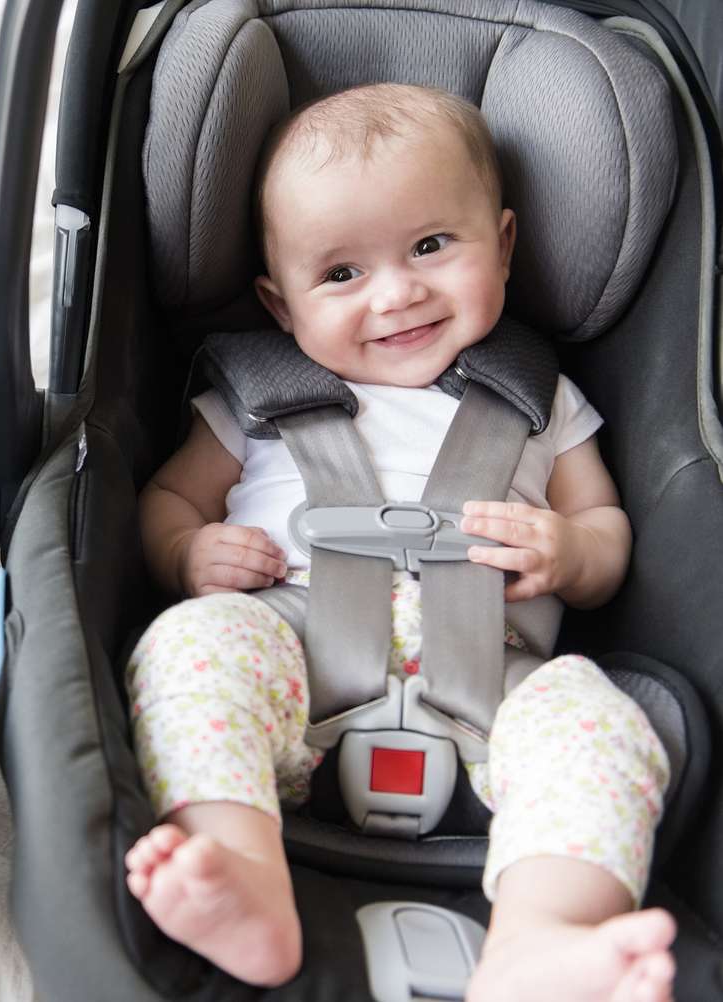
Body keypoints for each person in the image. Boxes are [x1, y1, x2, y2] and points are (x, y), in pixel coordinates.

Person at [122, 83, 675, 1002]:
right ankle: (238, 862)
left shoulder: (543, 404)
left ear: (501, 243)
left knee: (601, 721)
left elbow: (607, 530)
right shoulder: (250, 403)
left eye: (430, 246)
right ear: (280, 302)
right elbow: (167, 498)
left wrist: (569, 552)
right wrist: (187, 554)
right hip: (287, 654)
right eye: (341, 274)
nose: (398, 292)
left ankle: (544, 934)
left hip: (495, 680)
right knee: (187, 647)